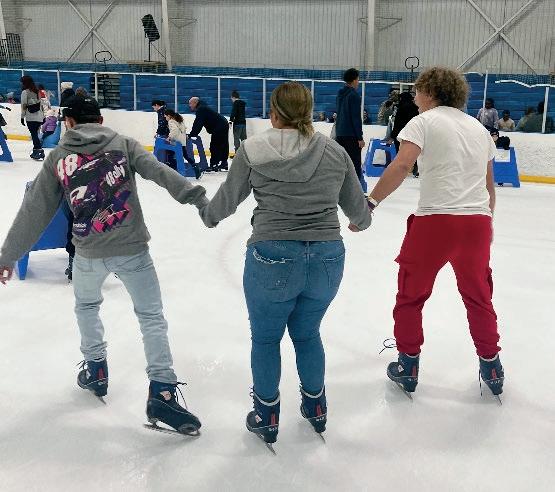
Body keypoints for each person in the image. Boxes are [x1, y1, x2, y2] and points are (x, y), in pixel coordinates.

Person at [0, 95, 207, 434]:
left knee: (87, 306)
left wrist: (8, 255)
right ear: (100, 120)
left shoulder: (58, 157)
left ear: (69, 123)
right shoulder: (123, 144)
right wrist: (196, 197)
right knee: (151, 317)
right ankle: (163, 391)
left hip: (88, 253)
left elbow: (34, 209)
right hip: (132, 249)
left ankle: (95, 369)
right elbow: (161, 172)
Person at [198, 81, 372, 447]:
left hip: (272, 257)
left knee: (266, 338)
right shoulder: (334, 151)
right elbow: (360, 214)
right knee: (307, 334)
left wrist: (208, 214)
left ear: (274, 113)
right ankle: (316, 407)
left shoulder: (252, 149)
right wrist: (361, 218)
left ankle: (267, 415)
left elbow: (226, 201)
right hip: (327, 257)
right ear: (308, 111)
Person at [366, 67, 504, 400]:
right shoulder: (479, 128)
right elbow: (488, 185)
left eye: (417, 90)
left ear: (430, 92)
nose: (414, 96)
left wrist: (371, 201)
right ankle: (492, 366)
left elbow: (402, 165)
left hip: (435, 223)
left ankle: (408, 366)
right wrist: (487, 222)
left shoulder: (422, 122)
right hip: (476, 222)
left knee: (411, 296)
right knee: (479, 297)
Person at [335, 68, 365, 181]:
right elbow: (355, 118)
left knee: (341, 164)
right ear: (354, 80)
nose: (358, 82)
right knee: (354, 165)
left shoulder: (340, 94)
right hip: (351, 136)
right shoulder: (354, 95)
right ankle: (354, 188)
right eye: (358, 80)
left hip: (340, 133)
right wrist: (360, 137)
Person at [189, 96, 230, 172]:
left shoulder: (201, 109)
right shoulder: (203, 107)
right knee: (223, 144)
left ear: (195, 102)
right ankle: (224, 163)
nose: (189, 105)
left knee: (215, 145)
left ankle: (214, 164)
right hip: (223, 123)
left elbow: (198, 123)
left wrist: (192, 134)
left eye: (190, 103)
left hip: (219, 126)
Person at [164, 108, 202, 179]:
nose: (165, 118)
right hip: (182, 142)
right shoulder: (179, 120)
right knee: (185, 156)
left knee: (169, 154)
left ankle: (173, 170)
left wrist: (169, 137)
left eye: (165, 116)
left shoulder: (171, 121)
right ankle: (195, 167)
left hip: (176, 142)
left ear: (169, 116)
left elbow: (174, 130)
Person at [391, 92, 420, 177]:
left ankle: (400, 171)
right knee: (414, 153)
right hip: (413, 134)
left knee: (400, 153)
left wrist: (392, 136)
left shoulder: (401, 108)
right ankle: (415, 169)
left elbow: (397, 124)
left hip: (401, 134)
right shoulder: (416, 108)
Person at [20, 75, 45, 160]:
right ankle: (36, 151)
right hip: (39, 116)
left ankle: (39, 151)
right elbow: (41, 104)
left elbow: (23, 105)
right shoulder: (37, 91)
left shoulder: (25, 92)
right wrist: (43, 116)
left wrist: (22, 117)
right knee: (35, 134)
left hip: (31, 117)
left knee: (34, 134)